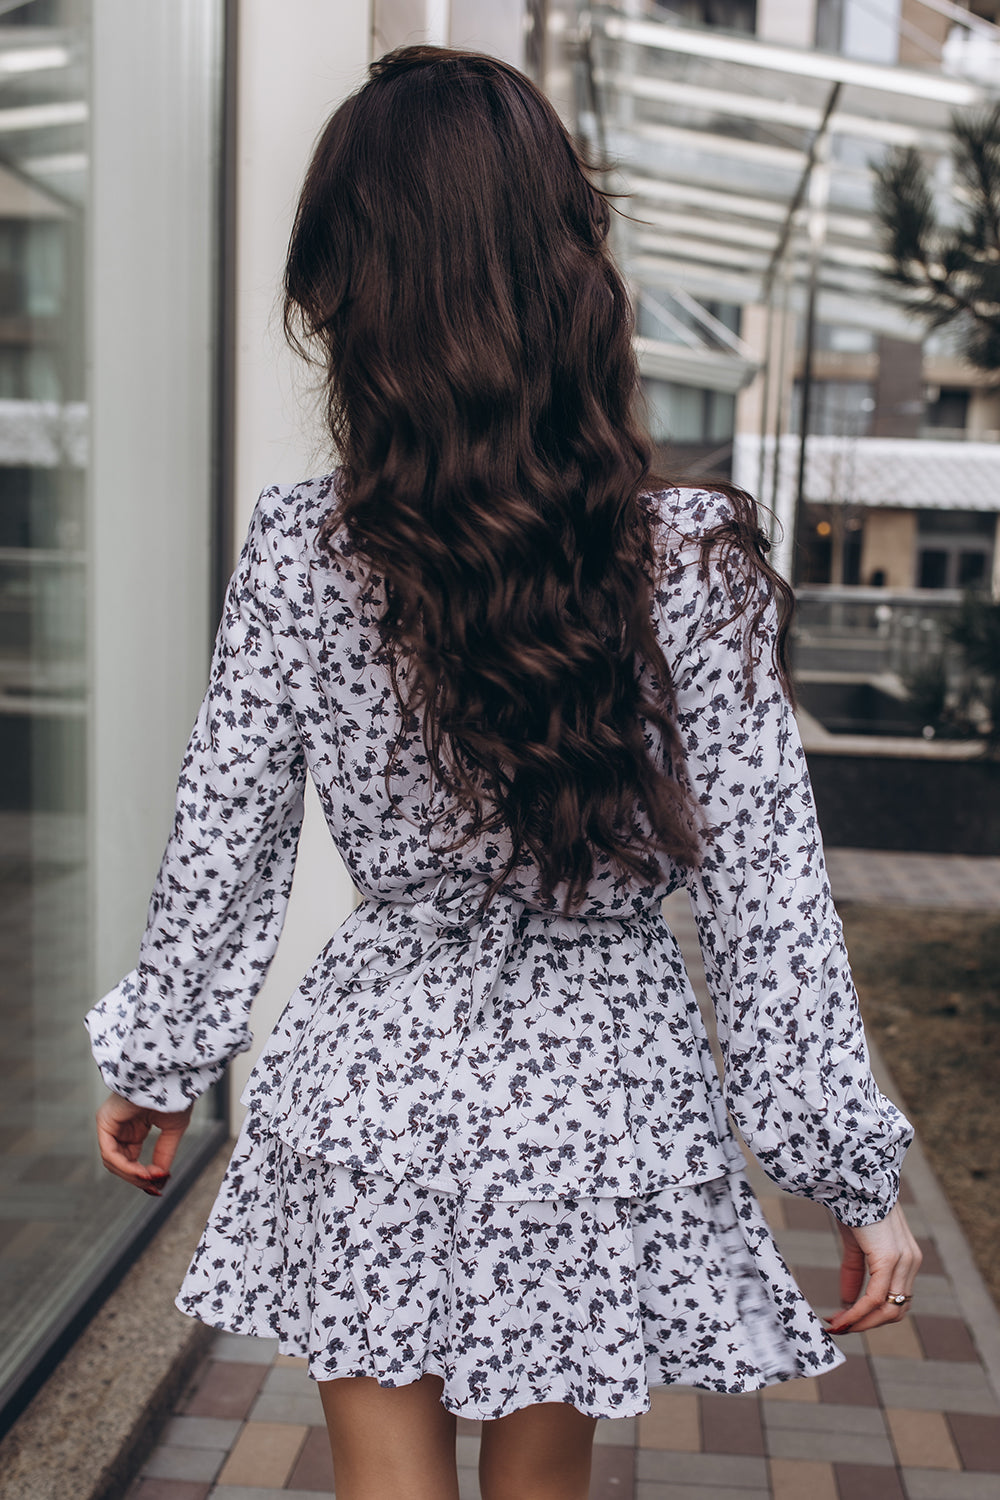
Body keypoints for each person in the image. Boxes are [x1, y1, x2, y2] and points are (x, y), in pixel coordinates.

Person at [86, 46, 920, 1500]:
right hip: (601, 1096)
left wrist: (164, 1057)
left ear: (357, 293)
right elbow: (772, 910)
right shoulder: (691, 563)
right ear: (567, 271)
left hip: (376, 1079)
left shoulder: (304, 549)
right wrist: (853, 1177)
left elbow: (224, 836)